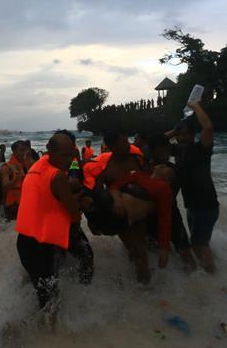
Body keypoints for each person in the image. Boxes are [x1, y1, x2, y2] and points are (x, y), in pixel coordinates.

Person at [81, 131, 173, 283]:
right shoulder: (104, 166)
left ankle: (142, 284)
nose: (128, 144)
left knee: (141, 250)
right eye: (124, 142)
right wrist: (92, 221)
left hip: (139, 212)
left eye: (128, 140)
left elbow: (152, 180)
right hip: (118, 213)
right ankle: (137, 283)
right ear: (112, 146)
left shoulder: (137, 160)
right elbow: (97, 193)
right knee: (134, 249)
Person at [15, 132, 83, 319]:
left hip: (24, 243)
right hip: (41, 247)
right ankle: (52, 337)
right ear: (50, 152)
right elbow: (75, 214)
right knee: (51, 297)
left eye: (72, 154)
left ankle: (41, 333)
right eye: (65, 155)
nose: (70, 160)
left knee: (42, 292)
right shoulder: (58, 176)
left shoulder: (36, 166)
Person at [165, 100, 219, 273]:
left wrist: (196, 107)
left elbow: (208, 128)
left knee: (199, 244)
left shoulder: (201, 149)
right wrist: (176, 129)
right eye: (179, 135)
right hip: (192, 206)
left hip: (206, 204)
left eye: (185, 134)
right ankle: (210, 272)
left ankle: (212, 277)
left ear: (193, 135)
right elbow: (157, 142)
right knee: (199, 242)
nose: (181, 138)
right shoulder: (179, 150)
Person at [148, 134, 197, 271]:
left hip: (172, 215)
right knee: (150, 255)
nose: (165, 155)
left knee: (186, 255)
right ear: (152, 151)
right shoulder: (145, 168)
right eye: (160, 151)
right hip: (149, 218)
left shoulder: (173, 170)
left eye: (167, 151)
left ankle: (195, 283)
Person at [0, 140, 30, 221]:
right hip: (11, 206)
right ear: (14, 152)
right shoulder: (6, 168)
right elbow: (5, 186)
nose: (24, 152)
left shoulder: (26, 166)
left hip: (23, 205)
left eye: (25, 150)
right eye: (21, 150)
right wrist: (16, 178)